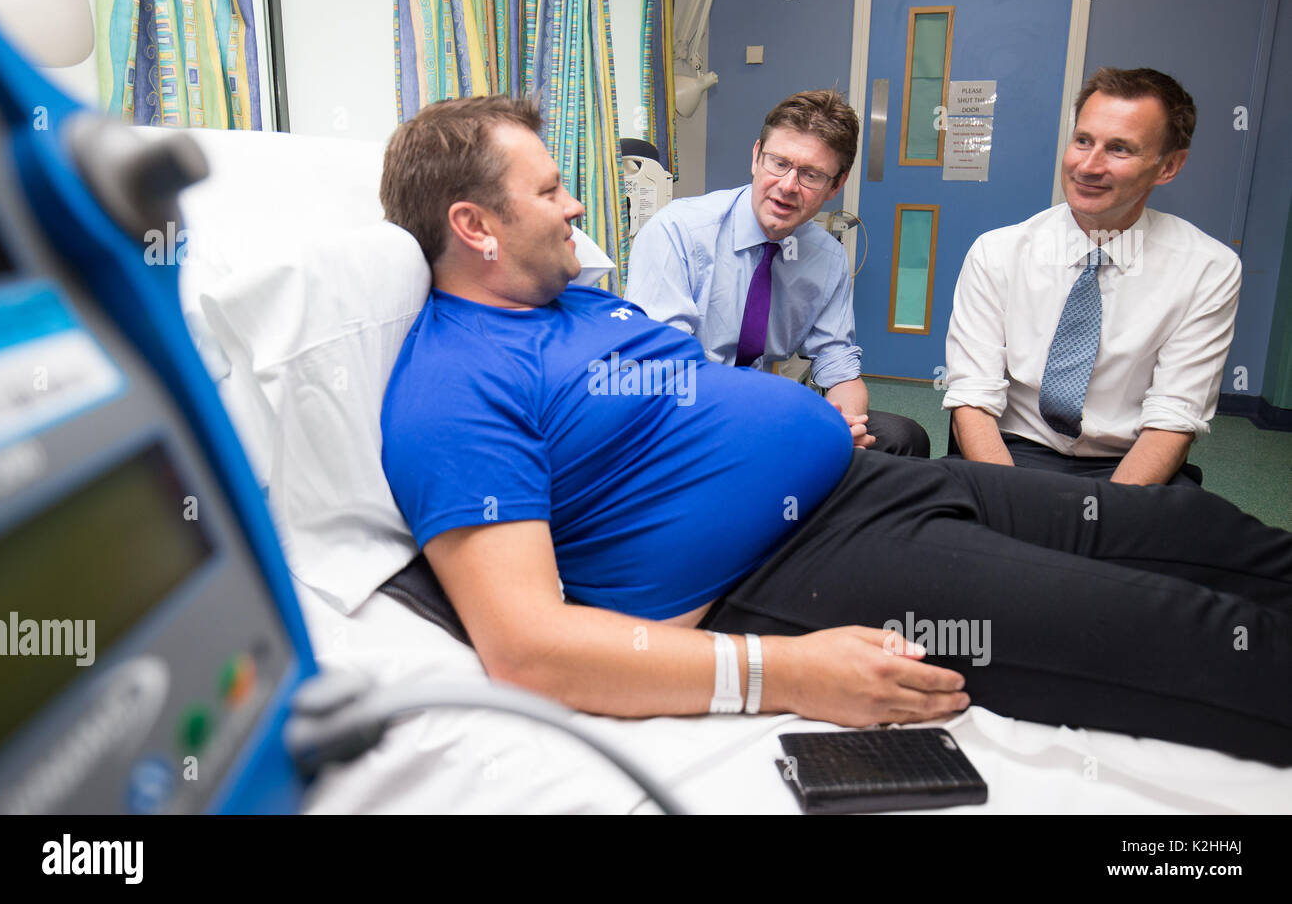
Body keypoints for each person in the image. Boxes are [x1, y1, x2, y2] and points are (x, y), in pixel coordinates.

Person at [378, 95, 1292, 765]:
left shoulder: (569, 301)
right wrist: (786, 674)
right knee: (1179, 628)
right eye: (550, 191)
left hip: (868, 485)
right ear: (475, 226)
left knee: (1188, 528)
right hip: (783, 571)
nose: (576, 206)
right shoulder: (451, 385)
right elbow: (528, 650)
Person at [943, 67, 1239, 485]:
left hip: (1128, 464)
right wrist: (1009, 501)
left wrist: (1102, 517)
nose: (1088, 165)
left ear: (1168, 166)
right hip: (1012, 451)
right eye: (1083, 141)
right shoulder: (998, 252)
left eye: (1119, 149)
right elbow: (972, 398)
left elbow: (1174, 416)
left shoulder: (1208, 269)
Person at [625, 89, 929, 457]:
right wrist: (778, 414)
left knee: (903, 436)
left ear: (836, 185)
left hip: (763, 412)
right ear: (756, 157)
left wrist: (845, 427)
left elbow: (839, 366)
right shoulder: (677, 231)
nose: (788, 186)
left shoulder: (827, 259)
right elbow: (666, 372)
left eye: (811, 174)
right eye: (779, 163)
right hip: (685, 417)